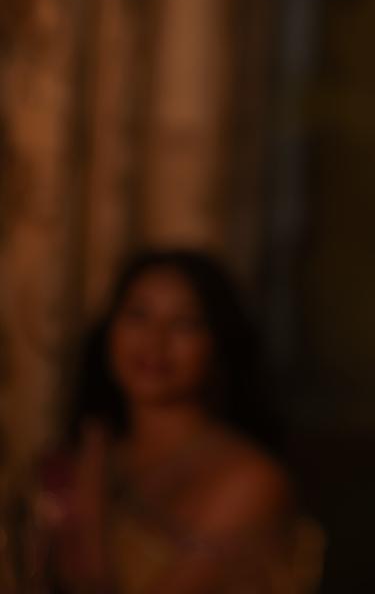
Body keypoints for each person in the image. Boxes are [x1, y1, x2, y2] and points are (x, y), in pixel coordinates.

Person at [32, 249, 321, 593]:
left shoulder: (251, 481)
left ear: (218, 344)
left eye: (184, 323)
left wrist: (90, 501)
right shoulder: (90, 451)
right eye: (138, 315)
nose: (154, 341)